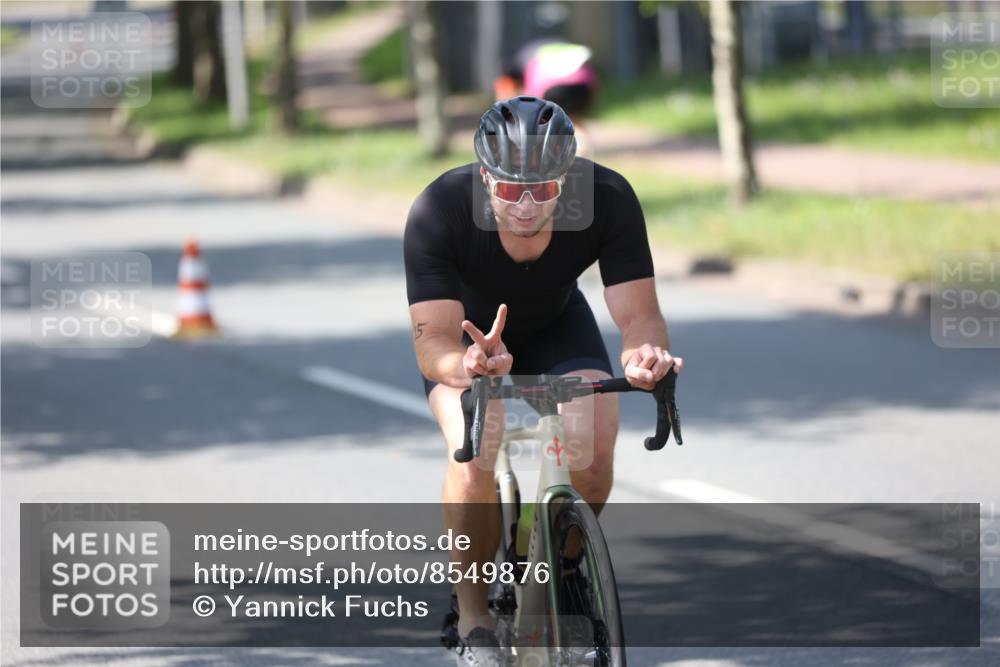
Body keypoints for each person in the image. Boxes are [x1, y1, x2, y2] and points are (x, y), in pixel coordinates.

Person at [404, 96, 683, 667]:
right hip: (469, 343)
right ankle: (474, 618)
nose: (527, 205)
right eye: (510, 190)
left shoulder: (606, 197)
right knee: (474, 449)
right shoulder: (441, 208)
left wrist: (644, 356)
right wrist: (469, 365)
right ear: (486, 178)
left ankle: (562, 569)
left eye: (544, 189)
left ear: (568, 180)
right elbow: (433, 344)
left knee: (594, 447)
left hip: (558, 326)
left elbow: (640, 317)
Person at [493, 41, 600, 157]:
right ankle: (582, 152)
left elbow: (507, 87)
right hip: (585, 82)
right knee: (575, 120)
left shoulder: (521, 59)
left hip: (549, 85)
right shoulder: (553, 46)